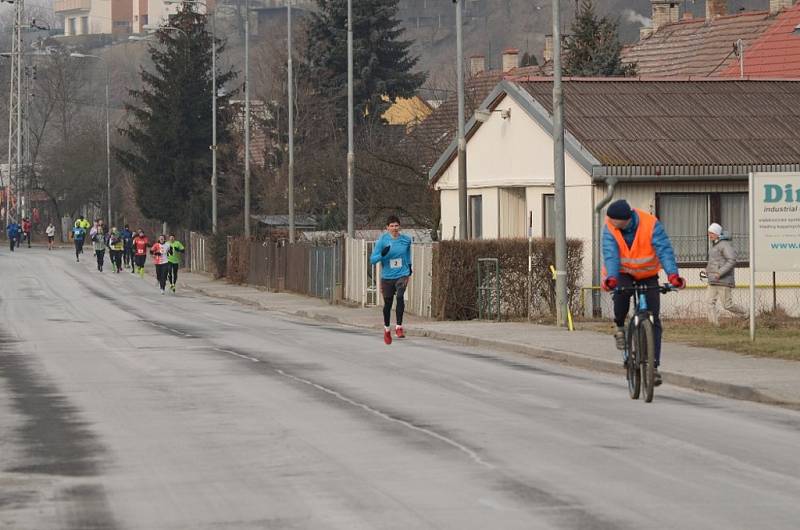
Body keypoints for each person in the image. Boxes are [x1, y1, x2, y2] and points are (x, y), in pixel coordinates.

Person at [601, 199, 685, 386]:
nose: (612, 224)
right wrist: (612, 278)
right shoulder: (610, 227)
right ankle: (620, 327)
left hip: (647, 274)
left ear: (626, 220)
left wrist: (673, 275)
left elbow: (664, 249)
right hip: (621, 273)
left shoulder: (651, 224)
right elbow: (611, 254)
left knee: (653, 318)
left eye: (616, 222)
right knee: (621, 296)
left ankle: (653, 367)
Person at [370, 215, 413, 345]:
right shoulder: (382, 241)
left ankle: (399, 327)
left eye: (396, 225)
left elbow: (407, 254)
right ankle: (387, 329)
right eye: (392, 226)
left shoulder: (406, 240)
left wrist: (409, 267)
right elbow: (372, 260)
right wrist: (382, 254)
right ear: (387, 227)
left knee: (400, 296)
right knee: (388, 304)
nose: (394, 228)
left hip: (402, 274)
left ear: (399, 226)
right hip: (387, 277)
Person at [704, 222, 746, 326]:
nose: (710, 236)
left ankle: (747, 314)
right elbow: (715, 262)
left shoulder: (725, 245)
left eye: (712, 233)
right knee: (709, 303)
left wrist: (719, 273)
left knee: (727, 305)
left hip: (723, 280)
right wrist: (708, 272)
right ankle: (714, 326)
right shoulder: (715, 245)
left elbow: (731, 260)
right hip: (713, 280)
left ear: (718, 234)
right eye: (709, 233)